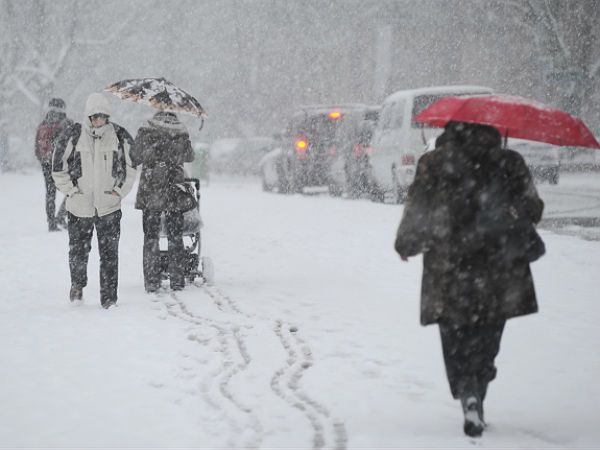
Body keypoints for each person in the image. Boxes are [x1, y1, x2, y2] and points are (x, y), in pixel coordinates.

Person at [394, 122, 544, 437]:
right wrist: (508, 208)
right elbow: (534, 207)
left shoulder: (434, 163)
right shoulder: (509, 161)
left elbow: (418, 206)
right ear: (491, 128)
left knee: (454, 332)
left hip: (449, 263)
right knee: (489, 329)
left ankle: (466, 390)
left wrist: (406, 241)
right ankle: (480, 383)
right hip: (499, 264)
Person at [52, 93, 136, 308]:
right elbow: (57, 166)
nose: (98, 120)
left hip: (109, 207)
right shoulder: (72, 135)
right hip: (79, 207)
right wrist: (71, 191)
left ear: (108, 116)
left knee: (110, 255)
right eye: (94, 116)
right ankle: (77, 286)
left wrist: (119, 191)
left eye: (102, 116)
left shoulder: (120, 135)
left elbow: (132, 166)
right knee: (78, 253)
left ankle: (109, 298)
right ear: (88, 116)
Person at [130, 111, 194, 293]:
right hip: (174, 189)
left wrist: (153, 151)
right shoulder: (180, 131)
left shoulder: (145, 130)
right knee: (175, 236)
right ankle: (176, 279)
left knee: (150, 237)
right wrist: (174, 147)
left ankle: (152, 281)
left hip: (151, 189)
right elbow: (190, 156)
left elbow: (134, 156)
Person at [35, 98, 73, 231]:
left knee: (50, 194)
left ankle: (51, 222)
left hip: (46, 165)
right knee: (72, 190)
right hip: (62, 165)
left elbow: (36, 149)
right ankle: (61, 216)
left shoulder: (43, 124)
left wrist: (44, 161)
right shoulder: (67, 123)